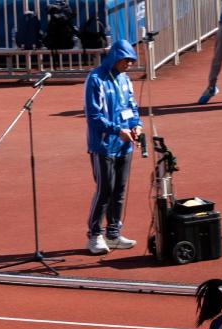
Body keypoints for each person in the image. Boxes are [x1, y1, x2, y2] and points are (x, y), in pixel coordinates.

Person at [84, 39, 143, 256]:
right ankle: (94, 235)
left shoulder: (125, 80)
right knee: (105, 190)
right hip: (103, 145)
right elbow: (93, 116)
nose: (129, 64)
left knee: (119, 190)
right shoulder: (95, 79)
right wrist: (117, 130)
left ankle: (113, 233)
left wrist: (137, 125)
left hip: (124, 144)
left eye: (131, 60)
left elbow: (132, 107)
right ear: (115, 58)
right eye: (126, 60)